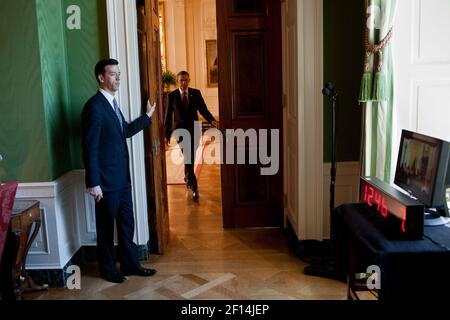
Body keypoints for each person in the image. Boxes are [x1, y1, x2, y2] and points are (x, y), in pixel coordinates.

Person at [81, 58, 157, 283]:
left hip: (122, 180)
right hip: (104, 182)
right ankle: (107, 269)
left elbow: (122, 131)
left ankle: (130, 264)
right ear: (101, 78)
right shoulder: (94, 107)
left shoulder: (113, 104)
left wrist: (147, 118)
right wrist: (93, 182)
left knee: (127, 224)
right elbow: (90, 148)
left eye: (119, 74)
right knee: (106, 229)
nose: (118, 78)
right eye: (113, 74)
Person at [164, 71, 217, 200]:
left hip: (194, 130)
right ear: (177, 81)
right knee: (188, 156)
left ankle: (187, 176)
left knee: (191, 156)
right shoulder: (172, 96)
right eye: (181, 80)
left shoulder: (196, 93)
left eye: (186, 80)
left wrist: (212, 120)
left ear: (189, 80)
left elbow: (203, 109)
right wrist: (167, 134)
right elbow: (168, 116)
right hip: (180, 131)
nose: (184, 82)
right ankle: (194, 187)